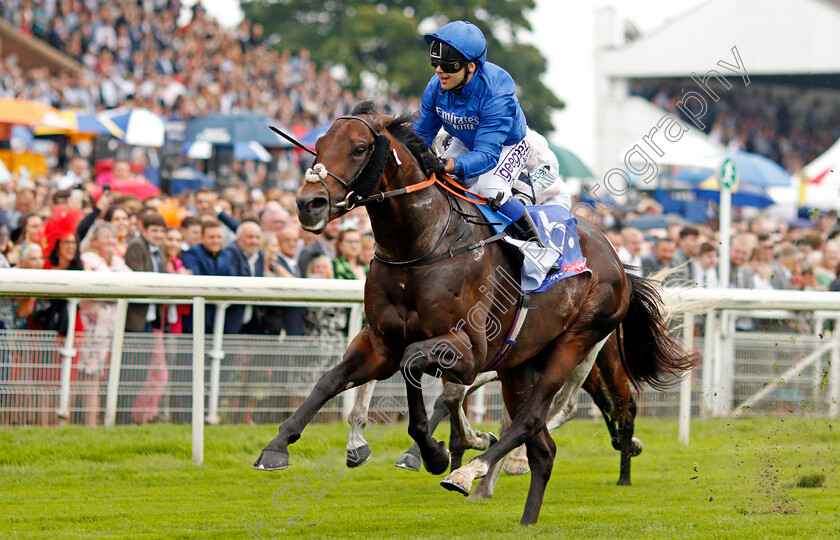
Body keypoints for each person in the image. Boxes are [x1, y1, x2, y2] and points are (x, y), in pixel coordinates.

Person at [414, 20, 564, 246]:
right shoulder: (436, 87)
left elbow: (487, 155)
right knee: (440, 183)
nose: (439, 70)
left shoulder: (497, 93)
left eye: (448, 65)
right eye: (436, 62)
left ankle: (539, 248)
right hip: (469, 142)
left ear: (471, 67)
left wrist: (445, 164)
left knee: (489, 189)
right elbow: (420, 137)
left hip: (512, 147)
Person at [77, 222, 131, 426]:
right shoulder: (88, 258)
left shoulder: (117, 260)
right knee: (88, 375)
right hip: (91, 327)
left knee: (100, 376)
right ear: (94, 240)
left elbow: (130, 281)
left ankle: (97, 419)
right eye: (106, 236)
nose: (110, 240)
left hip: (110, 329)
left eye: (112, 236)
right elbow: (100, 285)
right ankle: (86, 422)